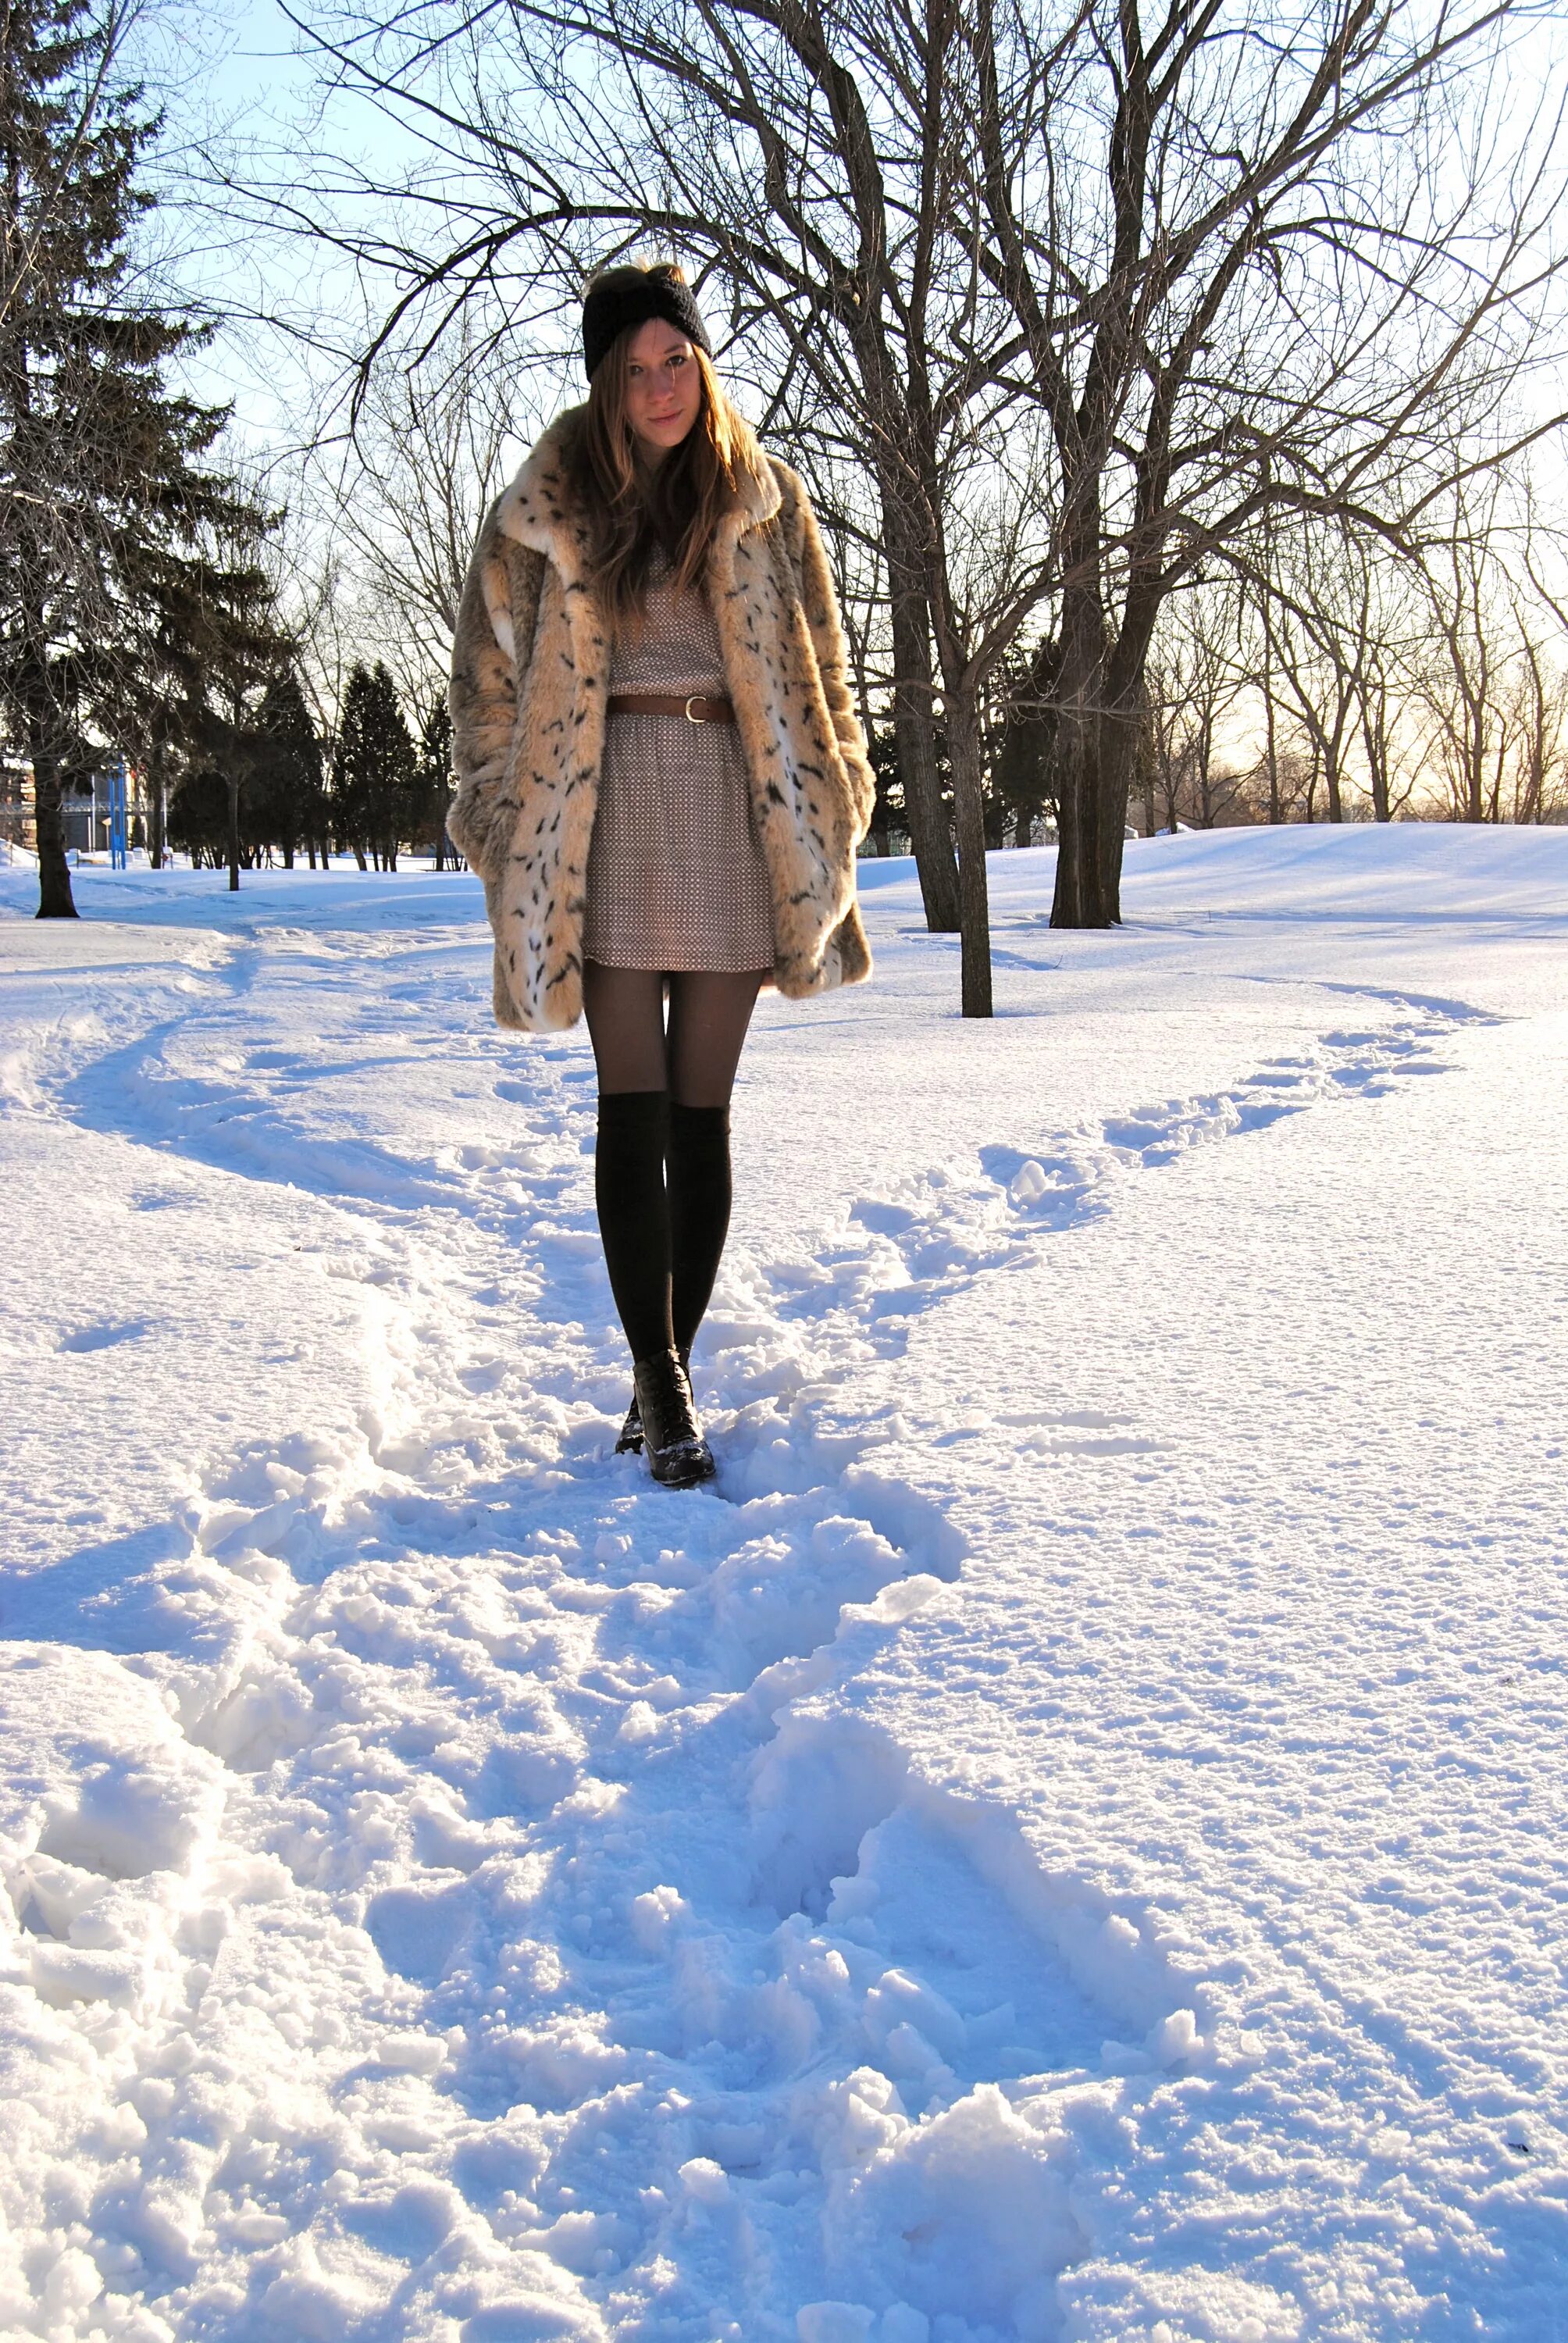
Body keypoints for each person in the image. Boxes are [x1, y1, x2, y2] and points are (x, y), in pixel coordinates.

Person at [448, 261, 875, 1487]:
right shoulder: (546, 510)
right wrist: (493, 813)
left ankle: (662, 1368)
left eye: (673, 359)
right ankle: (666, 1385)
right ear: (603, 381)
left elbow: (826, 669)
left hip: (738, 816)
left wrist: (837, 788)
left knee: (702, 1111)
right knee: (628, 1104)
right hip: (603, 814)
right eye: (632, 369)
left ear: (701, 358)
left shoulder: (763, 497)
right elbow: (485, 689)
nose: (658, 387)